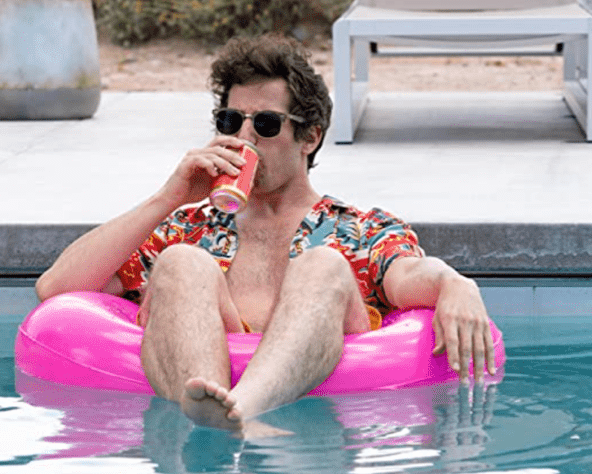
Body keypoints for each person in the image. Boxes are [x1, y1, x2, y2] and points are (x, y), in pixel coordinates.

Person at [35, 35, 495, 438]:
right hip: (197, 382)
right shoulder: (190, 227)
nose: (246, 138)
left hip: (318, 421)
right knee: (180, 261)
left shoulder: (359, 228)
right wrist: (168, 197)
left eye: (267, 124)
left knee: (323, 263)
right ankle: (212, 418)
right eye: (231, 121)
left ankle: (242, 410)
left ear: (309, 137)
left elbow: (411, 274)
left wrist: (456, 283)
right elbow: (56, 289)